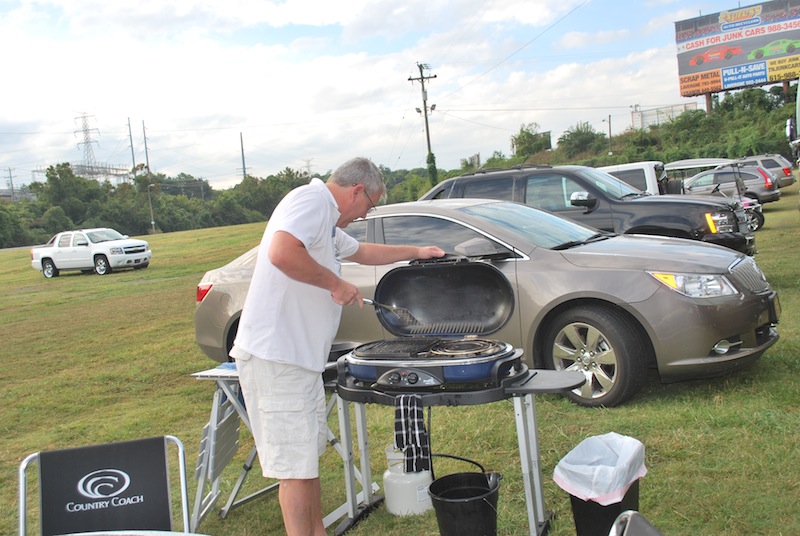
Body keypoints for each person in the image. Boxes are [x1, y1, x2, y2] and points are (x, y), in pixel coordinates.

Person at [230, 157, 445, 535]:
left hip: (299, 360)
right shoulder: (310, 201)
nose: (365, 214)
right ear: (357, 190)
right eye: (370, 205)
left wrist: (417, 250)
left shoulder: (327, 222)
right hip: (276, 356)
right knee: (294, 470)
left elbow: (362, 252)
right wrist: (334, 283)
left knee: (305, 463)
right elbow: (281, 252)